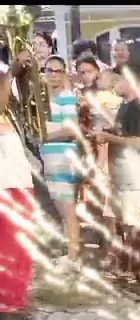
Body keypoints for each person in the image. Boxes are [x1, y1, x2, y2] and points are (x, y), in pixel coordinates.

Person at [95, 63, 140, 279]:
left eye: (118, 80)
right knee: (115, 219)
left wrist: (109, 137)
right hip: (118, 173)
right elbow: (123, 134)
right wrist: (108, 132)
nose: (114, 84)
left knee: (131, 223)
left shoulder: (138, 107)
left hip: (132, 174)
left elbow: (136, 142)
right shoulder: (124, 106)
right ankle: (121, 264)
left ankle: (134, 268)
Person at [0, 66, 36, 320]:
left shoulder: (9, 115)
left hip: (20, 185)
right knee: (9, 250)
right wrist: (10, 72)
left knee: (23, 250)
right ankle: (5, 310)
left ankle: (17, 303)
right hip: (6, 188)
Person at [41, 54, 81, 264]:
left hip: (63, 156)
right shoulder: (41, 98)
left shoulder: (66, 96)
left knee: (68, 210)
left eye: (58, 71)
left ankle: (73, 258)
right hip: (49, 156)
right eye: (50, 70)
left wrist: (45, 135)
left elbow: (72, 129)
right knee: (61, 209)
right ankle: (69, 254)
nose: (54, 75)